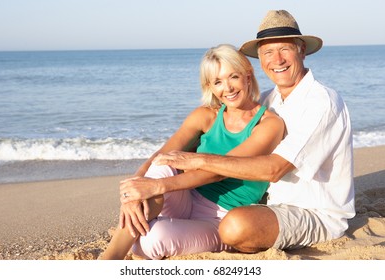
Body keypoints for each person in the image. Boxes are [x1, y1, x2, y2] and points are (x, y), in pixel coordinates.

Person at [128, 10, 356, 253]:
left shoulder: (321, 102)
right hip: (265, 205)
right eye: (268, 52)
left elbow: (274, 169)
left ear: (301, 49)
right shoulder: (270, 100)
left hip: (312, 212)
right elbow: (213, 143)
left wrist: (196, 159)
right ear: (259, 58)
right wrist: (140, 182)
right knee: (164, 171)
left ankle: (215, 235)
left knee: (235, 226)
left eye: (284, 49)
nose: (277, 59)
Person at [100, 44, 284, 259]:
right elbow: (159, 156)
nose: (228, 88)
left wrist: (158, 186)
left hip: (221, 219)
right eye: (218, 82)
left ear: (248, 76)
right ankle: (108, 260)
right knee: (163, 163)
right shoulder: (205, 116)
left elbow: (221, 170)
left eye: (233, 77)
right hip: (186, 199)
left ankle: (144, 232)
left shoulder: (269, 124)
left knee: (150, 241)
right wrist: (132, 193)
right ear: (210, 87)